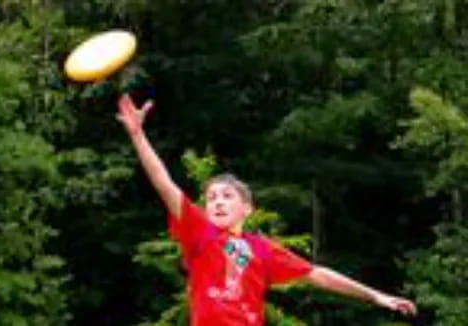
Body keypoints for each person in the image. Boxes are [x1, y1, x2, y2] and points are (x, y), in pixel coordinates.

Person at [116, 94, 417, 326]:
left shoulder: (262, 250)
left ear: (246, 208)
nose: (217, 202)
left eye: (226, 196)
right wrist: (138, 136)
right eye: (211, 198)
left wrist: (375, 295)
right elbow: (163, 182)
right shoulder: (199, 231)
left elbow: (318, 275)